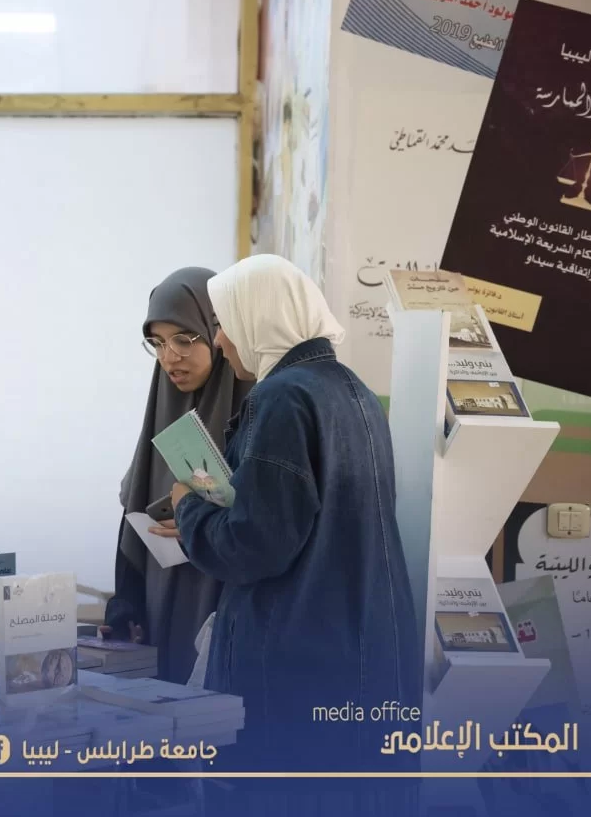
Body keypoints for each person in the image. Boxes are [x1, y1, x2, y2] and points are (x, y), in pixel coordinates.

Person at [155, 255, 420, 790]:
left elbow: (253, 546)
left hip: (293, 669)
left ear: (261, 316)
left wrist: (189, 506)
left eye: (225, 322)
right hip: (360, 662)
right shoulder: (356, 392)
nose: (221, 341)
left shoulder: (281, 398)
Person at [102, 267, 254, 685]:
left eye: (184, 339)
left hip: (224, 616)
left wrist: (201, 522)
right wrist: (125, 608)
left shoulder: (262, 413)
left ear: (218, 330)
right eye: (157, 343)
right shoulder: (162, 409)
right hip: (155, 619)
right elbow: (133, 517)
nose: (169, 357)